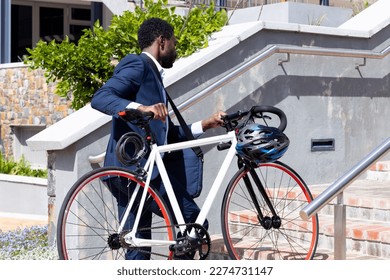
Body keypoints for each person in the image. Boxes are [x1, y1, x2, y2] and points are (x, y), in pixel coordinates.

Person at [91, 18, 224, 259]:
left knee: (138, 251)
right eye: (174, 42)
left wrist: (205, 125)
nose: (175, 49)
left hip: (132, 172)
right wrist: (141, 107)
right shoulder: (138, 64)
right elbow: (101, 97)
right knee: (192, 223)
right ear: (161, 41)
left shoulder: (154, 76)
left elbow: (168, 133)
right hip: (136, 171)